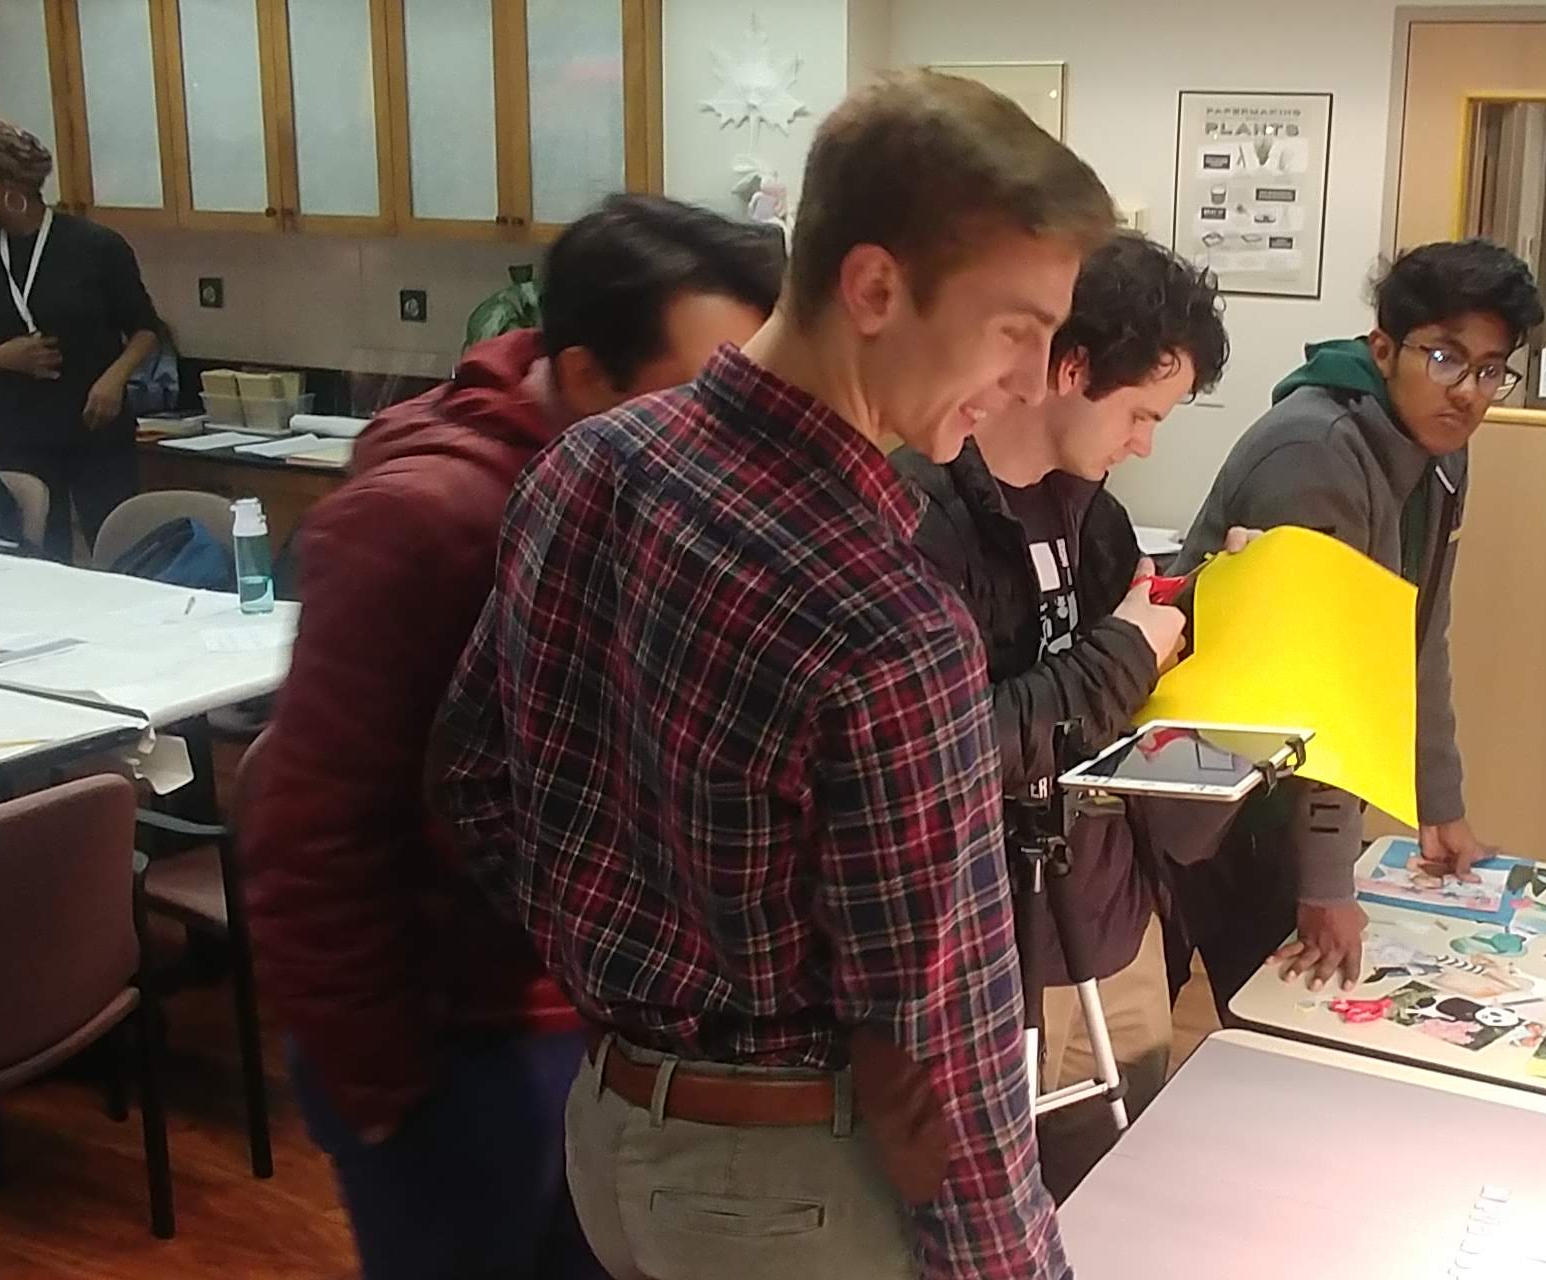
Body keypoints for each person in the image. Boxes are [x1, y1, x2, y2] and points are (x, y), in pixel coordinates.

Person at [428, 72, 1114, 1280]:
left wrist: (629, 963)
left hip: (610, 1135)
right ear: (874, 287)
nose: (1031, 374)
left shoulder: (591, 461)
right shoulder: (888, 624)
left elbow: (473, 782)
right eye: (1015, 327)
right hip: (796, 1187)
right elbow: (936, 1038)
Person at [238, 194, 784, 1280]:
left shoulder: (643, 489)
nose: (735, 440)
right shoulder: (423, 522)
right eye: (701, 395)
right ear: (584, 375)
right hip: (464, 1049)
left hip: (588, 1020)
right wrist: (387, 1088)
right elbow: (309, 833)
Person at [887, 232, 1228, 1197]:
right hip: (998, 955)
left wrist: (1213, 613)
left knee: (1130, 1192)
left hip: (1115, 925)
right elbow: (953, 748)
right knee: (1024, 1211)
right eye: (1138, 413)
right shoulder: (923, 514)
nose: (1144, 442)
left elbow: (1119, 706)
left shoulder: (1100, 519)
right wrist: (1122, 650)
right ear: (1069, 369)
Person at [1168, 239, 1542, 1010]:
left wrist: (1439, 801)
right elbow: (1322, 685)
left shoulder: (1438, 450)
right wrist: (1326, 880)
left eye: (1490, 369)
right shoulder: (1316, 454)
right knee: (1279, 1019)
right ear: (1383, 348)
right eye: (1444, 357)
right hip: (1226, 781)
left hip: (1294, 773)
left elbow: (1416, 635)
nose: (1469, 391)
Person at [0, 114, 158, 561]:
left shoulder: (95, 247)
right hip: (18, 433)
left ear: (6, 184)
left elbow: (145, 329)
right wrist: (0, 357)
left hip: (97, 429)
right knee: (39, 553)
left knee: (120, 551)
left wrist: (114, 379)